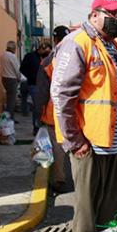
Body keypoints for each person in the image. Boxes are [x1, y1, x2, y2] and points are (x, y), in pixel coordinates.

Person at [51, 0, 117, 232]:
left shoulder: (112, 47)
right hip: (92, 146)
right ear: (94, 15)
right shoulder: (77, 42)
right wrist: (74, 140)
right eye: (112, 14)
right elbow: (61, 94)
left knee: (111, 213)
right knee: (88, 214)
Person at [35, 26, 71, 193]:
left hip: (54, 112)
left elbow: (42, 92)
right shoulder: (78, 54)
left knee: (57, 147)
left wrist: (37, 115)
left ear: (55, 39)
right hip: (77, 111)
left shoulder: (49, 61)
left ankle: (59, 179)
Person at [21, 43, 52, 131]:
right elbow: (22, 69)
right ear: (41, 49)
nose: (47, 53)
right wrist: (30, 77)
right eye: (46, 51)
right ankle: (37, 126)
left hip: (44, 86)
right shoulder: (30, 56)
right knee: (37, 107)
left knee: (42, 106)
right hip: (33, 84)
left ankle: (42, 124)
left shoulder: (48, 59)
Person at [0, 40, 20, 116]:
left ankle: (9, 117)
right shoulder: (12, 56)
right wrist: (19, 78)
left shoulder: (2, 55)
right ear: (14, 48)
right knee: (12, 101)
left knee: (9, 99)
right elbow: (17, 69)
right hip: (12, 79)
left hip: (4, 78)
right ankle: (9, 118)